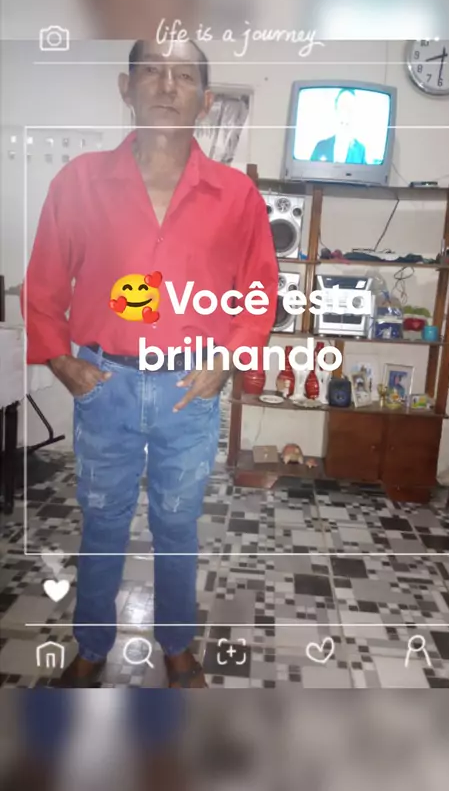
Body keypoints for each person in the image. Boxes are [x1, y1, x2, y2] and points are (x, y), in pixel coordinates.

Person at [22, 37, 278, 688]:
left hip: (188, 392)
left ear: (205, 99)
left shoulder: (236, 196)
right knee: (102, 521)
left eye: (184, 76)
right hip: (103, 386)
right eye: (153, 72)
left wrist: (226, 361)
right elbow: (43, 285)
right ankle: (91, 647)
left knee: (176, 524)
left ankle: (177, 645)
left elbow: (259, 292)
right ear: (126, 86)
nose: (167, 86)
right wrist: (63, 363)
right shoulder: (79, 183)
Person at [310, 88, 366, 164]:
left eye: (349, 109)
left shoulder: (360, 150)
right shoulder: (321, 146)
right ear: (336, 110)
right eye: (342, 107)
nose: (345, 114)